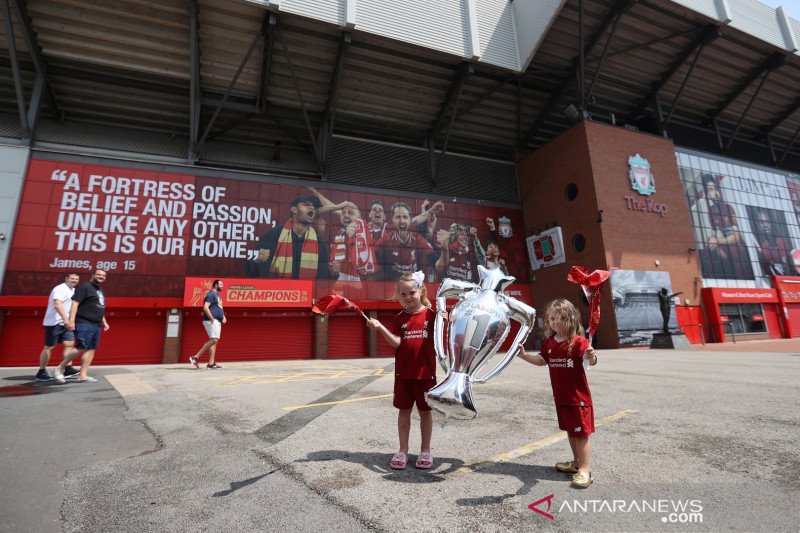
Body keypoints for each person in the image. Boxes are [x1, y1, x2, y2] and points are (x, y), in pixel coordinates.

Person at [516, 299, 597, 489]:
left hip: (578, 400)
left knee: (581, 434)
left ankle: (585, 470)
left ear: (570, 319)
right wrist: (524, 355)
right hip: (561, 398)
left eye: (560, 318)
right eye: (552, 318)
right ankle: (576, 462)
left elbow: (591, 360)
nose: (555, 322)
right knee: (570, 431)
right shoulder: (550, 343)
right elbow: (541, 360)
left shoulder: (578, 342)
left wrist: (591, 356)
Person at [366, 271, 437, 470]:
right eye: (403, 294)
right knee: (403, 413)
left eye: (412, 293)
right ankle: (403, 451)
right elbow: (397, 342)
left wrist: (450, 317)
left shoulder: (432, 316)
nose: (407, 298)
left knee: (425, 412)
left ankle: (425, 451)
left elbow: (445, 335)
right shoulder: (399, 318)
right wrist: (380, 327)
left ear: (421, 291)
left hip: (426, 375)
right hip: (403, 375)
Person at [246, 195, 331, 279]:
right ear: (294, 210)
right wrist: (257, 261)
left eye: (314, 206)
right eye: (306, 204)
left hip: (306, 292)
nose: (312, 208)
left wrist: (333, 274)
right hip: (278, 291)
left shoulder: (319, 244)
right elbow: (250, 274)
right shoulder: (272, 236)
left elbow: (322, 283)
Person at [53, 269, 110, 384]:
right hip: (84, 322)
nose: (101, 276)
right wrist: (71, 321)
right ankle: (59, 368)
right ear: (93, 275)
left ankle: (83, 375)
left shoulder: (100, 290)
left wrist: (104, 321)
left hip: (96, 324)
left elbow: (99, 306)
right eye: (98, 274)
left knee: (91, 349)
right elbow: (75, 303)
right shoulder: (85, 287)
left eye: (103, 275)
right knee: (82, 346)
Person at [693, 173, 751, 279]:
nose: (714, 193)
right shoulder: (711, 211)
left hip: (736, 247)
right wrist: (711, 240)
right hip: (725, 244)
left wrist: (717, 241)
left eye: (715, 188)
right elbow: (714, 232)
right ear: (707, 194)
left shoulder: (729, 208)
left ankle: (741, 279)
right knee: (708, 249)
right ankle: (710, 279)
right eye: (710, 190)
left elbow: (736, 238)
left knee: (734, 251)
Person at [375, 202, 445, 281]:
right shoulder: (384, 242)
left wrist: (445, 249)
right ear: (392, 219)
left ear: (410, 220)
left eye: (405, 217)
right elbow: (375, 272)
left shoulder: (419, 240)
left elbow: (439, 267)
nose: (402, 220)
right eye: (398, 217)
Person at [36, 273, 82, 381]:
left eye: (76, 279)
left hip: (66, 323)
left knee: (69, 344)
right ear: (66, 279)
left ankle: (68, 368)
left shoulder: (73, 291)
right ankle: (41, 371)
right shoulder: (60, 288)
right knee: (50, 347)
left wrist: (71, 321)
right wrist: (66, 320)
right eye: (72, 278)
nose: (74, 280)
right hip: (54, 323)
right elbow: (57, 304)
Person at [189, 279, 226, 369]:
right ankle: (195, 357)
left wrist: (223, 316)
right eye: (220, 284)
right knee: (214, 340)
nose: (222, 286)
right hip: (211, 320)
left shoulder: (217, 296)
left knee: (214, 342)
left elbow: (218, 307)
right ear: (215, 285)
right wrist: (212, 319)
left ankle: (211, 363)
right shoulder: (211, 294)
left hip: (217, 320)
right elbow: (205, 307)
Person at [753, 210, 794, 277]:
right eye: (762, 223)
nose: (765, 225)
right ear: (757, 225)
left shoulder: (780, 242)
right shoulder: (754, 245)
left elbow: (784, 264)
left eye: (767, 222)